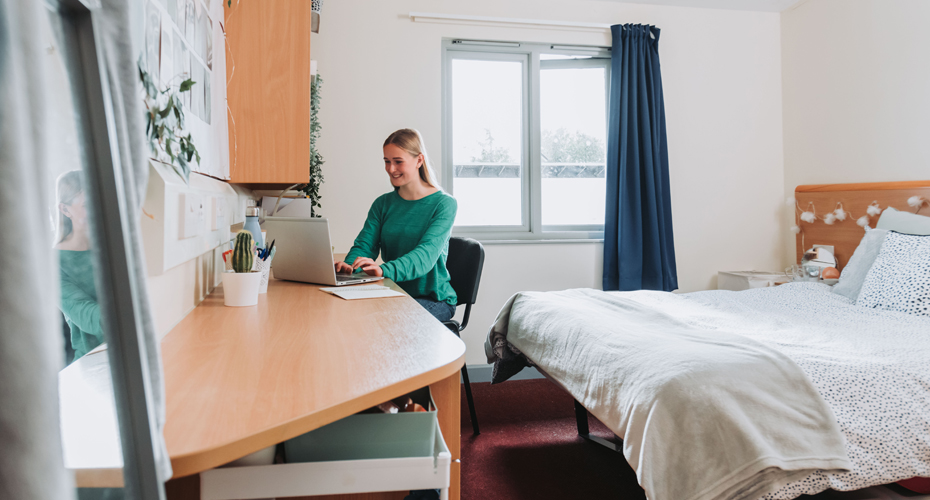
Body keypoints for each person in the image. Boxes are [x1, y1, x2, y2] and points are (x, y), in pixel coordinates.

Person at [336, 128, 458, 322]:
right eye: (387, 161)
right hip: (393, 293)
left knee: (387, 323)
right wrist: (349, 268)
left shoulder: (444, 204)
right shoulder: (383, 204)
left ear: (419, 160)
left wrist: (384, 270)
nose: (391, 169)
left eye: (398, 162)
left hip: (433, 299)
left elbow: (424, 256)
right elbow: (364, 246)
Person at [54, 170, 104, 363]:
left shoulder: (111, 246)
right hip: (93, 359)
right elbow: (90, 318)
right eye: (87, 204)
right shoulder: (55, 263)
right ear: (65, 210)